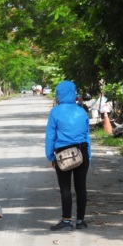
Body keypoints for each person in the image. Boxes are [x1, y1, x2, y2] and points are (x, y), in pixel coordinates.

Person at [45, 80, 92, 231]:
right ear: (73, 92)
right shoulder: (81, 111)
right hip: (82, 151)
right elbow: (87, 134)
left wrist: (50, 156)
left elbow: (50, 136)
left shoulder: (55, 112)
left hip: (63, 153)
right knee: (81, 187)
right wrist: (88, 155)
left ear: (59, 94)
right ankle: (81, 221)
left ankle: (66, 221)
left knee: (65, 188)